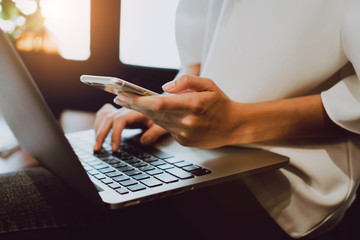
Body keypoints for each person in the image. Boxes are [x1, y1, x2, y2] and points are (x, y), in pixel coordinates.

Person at [93, 0, 360, 238]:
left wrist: (235, 123)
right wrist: (166, 109)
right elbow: (195, 55)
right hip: (197, 157)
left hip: (283, 188)